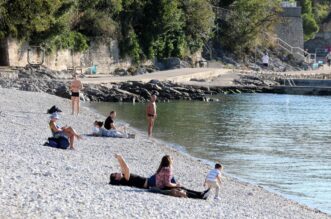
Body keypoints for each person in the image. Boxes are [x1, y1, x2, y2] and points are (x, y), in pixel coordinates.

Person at [109, 154, 210, 199]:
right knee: (177, 187)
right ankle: (199, 195)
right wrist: (120, 157)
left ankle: (200, 194)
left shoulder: (125, 177)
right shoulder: (126, 179)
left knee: (178, 187)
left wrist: (119, 159)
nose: (117, 173)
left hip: (152, 180)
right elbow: (126, 169)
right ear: (117, 179)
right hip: (152, 183)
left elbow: (123, 168)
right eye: (115, 174)